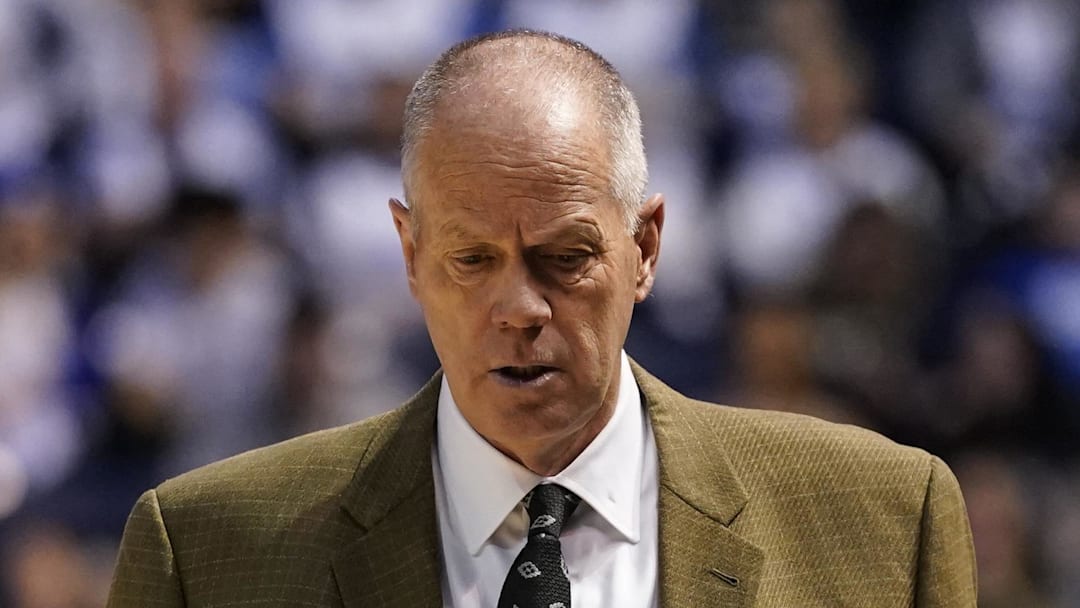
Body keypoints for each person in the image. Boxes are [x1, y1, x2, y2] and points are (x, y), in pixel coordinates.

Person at [107, 30, 977, 607]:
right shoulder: (204, 554)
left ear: (646, 247)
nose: (519, 309)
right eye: (472, 260)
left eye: (565, 258)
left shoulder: (885, 522)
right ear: (409, 254)